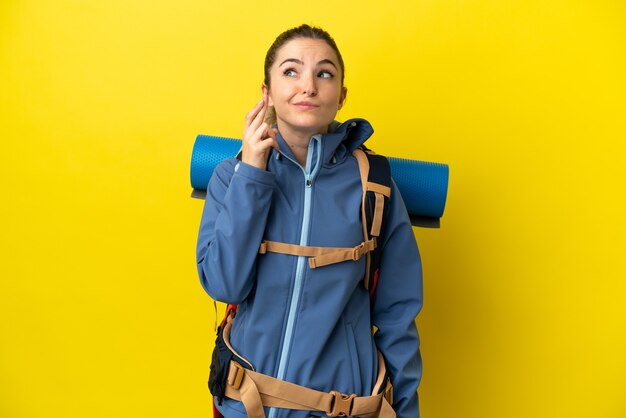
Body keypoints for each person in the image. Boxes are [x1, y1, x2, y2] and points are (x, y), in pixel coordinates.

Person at [196, 24, 423, 418]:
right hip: (245, 404)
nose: (309, 86)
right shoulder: (230, 176)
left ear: (341, 97)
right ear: (266, 92)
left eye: (324, 73)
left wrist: (405, 411)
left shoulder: (376, 187)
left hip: (341, 408)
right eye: (290, 71)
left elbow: (398, 316)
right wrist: (252, 174)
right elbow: (223, 284)